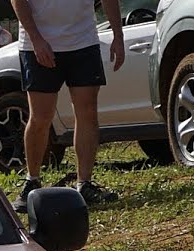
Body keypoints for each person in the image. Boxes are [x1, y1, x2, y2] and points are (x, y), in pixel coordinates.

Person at [9, 0, 123, 212]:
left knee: (87, 112)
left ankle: (84, 184)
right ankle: (31, 180)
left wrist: (118, 35)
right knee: (41, 117)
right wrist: (36, 39)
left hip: (83, 42)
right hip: (39, 43)